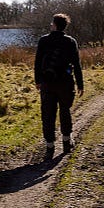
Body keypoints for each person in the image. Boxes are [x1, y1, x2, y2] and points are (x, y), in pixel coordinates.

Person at [34, 13, 84, 159]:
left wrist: (37, 80)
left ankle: (49, 146)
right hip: (66, 83)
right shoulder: (71, 42)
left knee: (48, 114)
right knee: (65, 111)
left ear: (55, 25)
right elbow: (77, 65)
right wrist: (80, 84)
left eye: (52, 23)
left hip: (47, 83)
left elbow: (37, 62)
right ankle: (67, 142)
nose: (50, 25)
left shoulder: (44, 40)